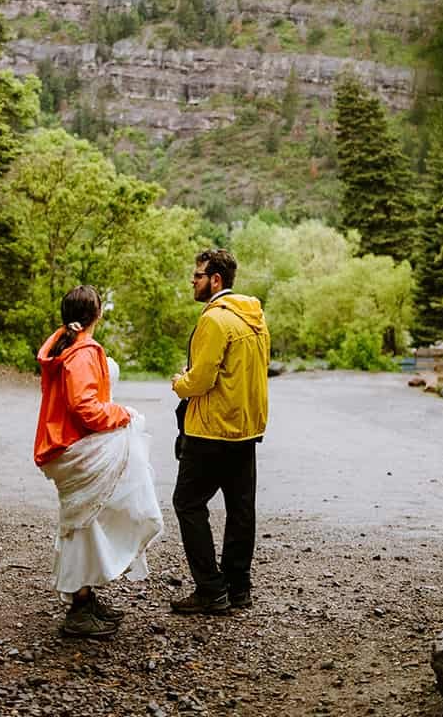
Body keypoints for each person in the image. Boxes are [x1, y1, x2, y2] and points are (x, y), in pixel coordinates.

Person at [34, 284, 163, 638]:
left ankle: (86, 596)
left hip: (61, 447)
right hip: (74, 446)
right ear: (98, 314)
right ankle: (78, 609)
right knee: (83, 522)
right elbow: (85, 407)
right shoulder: (82, 352)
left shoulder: (63, 347)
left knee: (85, 521)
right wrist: (122, 414)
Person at [170, 247, 270, 616]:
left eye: (196, 276)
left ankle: (210, 590)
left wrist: (180, 383)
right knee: (241, 509)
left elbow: (201, 379)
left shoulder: (214, 321)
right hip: (245, 429)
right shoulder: (254, 319)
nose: (192, 282)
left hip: (210, 431)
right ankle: (238, 587)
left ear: (215, 280)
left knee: (188, 503)